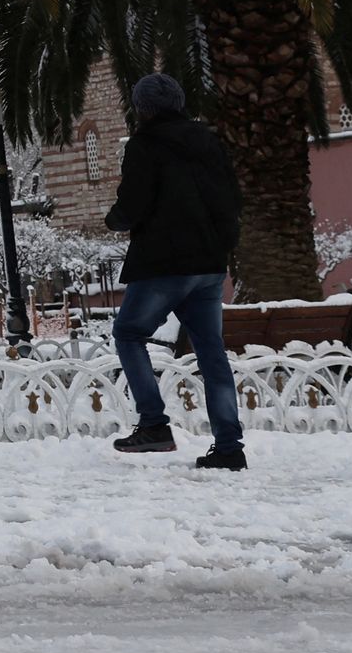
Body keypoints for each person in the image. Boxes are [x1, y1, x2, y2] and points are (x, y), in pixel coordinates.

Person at [103, 69, 247, 469]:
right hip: (209, 266)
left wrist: (114, 219)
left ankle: (153, 424)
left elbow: (133, 205)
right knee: (211, 352)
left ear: (142, 109)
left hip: (163, 265)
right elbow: (232, 200)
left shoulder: (144, 145)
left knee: (129, 334)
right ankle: (229, 447)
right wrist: (221, 246)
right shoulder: (211, 142)